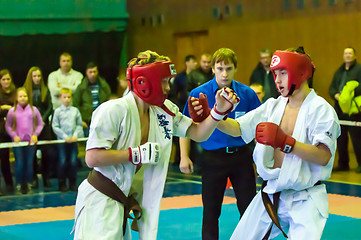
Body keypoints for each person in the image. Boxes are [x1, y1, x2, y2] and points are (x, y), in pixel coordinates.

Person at [72, 50, 239, 240]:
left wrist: (217, 112)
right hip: (100, 200)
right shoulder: (113, 110)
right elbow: (92, 158)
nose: (168, 88)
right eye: (164, 81)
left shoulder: (163, 111)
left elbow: (198, 133)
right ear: (145, 81)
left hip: (122, 201)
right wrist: (136, 154)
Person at [189, 47, 340, 239]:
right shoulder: (273, 106)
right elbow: (239, 128)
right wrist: (214, 116)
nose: (277, 80)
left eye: (283, 73)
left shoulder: (321, 110)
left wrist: (286, 143)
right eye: (275, 73)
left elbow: (324, 156)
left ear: (301, 73)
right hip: (271, 191)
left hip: (305, 197)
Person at [179, 48, 261, 240]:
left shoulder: (247, 95)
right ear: (213, 69)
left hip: (241, 156)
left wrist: (261, 159)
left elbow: (259, 128)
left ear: (235, 69)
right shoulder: (199, 93)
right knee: (210, 211)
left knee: (249, 209)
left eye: (228, 68)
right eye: (220, 68)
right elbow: (184, 127)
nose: (224, 73)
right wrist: (184, 156)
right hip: (212, 158)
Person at [5, 87, 43, 194]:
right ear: (16, 98)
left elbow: (40, 124)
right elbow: (8, 126)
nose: (23, 98)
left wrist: (35, 135)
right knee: (20, 163)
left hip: (30, 142)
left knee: (29, 163)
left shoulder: (34, 110)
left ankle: (29, 183)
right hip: (17, 143)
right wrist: (14, 135)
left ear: (28, 97)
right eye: (20, 96)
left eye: (25, 96)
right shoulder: (12, 111)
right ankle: (18, 184)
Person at [329, 47, 361, 172]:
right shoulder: (339, 71)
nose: (347, 55)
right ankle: (343, 164)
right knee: (340, 138)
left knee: (357, 138)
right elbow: (331, 88)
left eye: (350, 53)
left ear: (354, 56)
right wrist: (336, 95)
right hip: (339, 109)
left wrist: (349, 93)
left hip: (354, 110)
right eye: (346, 53)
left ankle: (360, 164)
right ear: (343, 56)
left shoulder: (359, 69)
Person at [23, 66, 54, 188]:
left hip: (44, 125)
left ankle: (46, 178)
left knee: (46, 153)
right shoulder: (25, 91)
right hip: (30, 126)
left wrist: (43, 119)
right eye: (34, 76)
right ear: (30, 77)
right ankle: (34, 178)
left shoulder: (45, 90)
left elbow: (50, 107)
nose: (37, 78)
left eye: (39, 76)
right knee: (32, 153)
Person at [52, 88, 84, 192]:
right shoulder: (57, 112)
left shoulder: (75, 111)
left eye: (68, 97)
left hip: (73, 141)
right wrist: (64, 136)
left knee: (73, 161)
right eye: (64, 97)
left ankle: (72, 182)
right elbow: (55, 126)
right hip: (62, 141)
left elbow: (79, 125)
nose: (66, 99)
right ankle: (61, 183)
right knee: (62, 161)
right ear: (60, 98)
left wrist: (75, 135)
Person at [73, 62, 111, 137]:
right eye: (90, 72)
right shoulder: (81, 87)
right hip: (87, 120)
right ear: (86, 73)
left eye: (94, 71)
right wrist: (80, 120)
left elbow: (108, 102)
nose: (93, 74)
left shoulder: (104, 86)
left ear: (97, 72)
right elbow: (75, 104)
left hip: (101, 119)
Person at [0, 69, 16, 194]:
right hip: (2, 131)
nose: (6, 81)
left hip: (16, 129)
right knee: (4, 157)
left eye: (8, 79)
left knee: (20, 157)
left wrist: (9, 109)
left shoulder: (16, 93)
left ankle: (21, 183)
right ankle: (7, 184)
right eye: (3, 79)